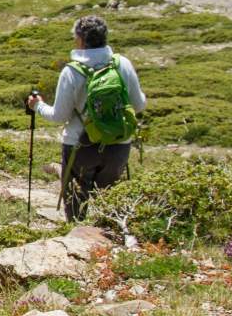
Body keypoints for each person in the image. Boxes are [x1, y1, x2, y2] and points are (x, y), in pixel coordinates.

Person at [26, 14, 146, 227]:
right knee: (110, 200)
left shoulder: (71, 72)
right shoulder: (123, 64)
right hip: (118, 145)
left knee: (76, 201)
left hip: (80, 146)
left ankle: (76, 236)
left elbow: (59, 116)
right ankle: (109, 237)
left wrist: (38, 106)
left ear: (80, 40)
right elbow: (139, 105)